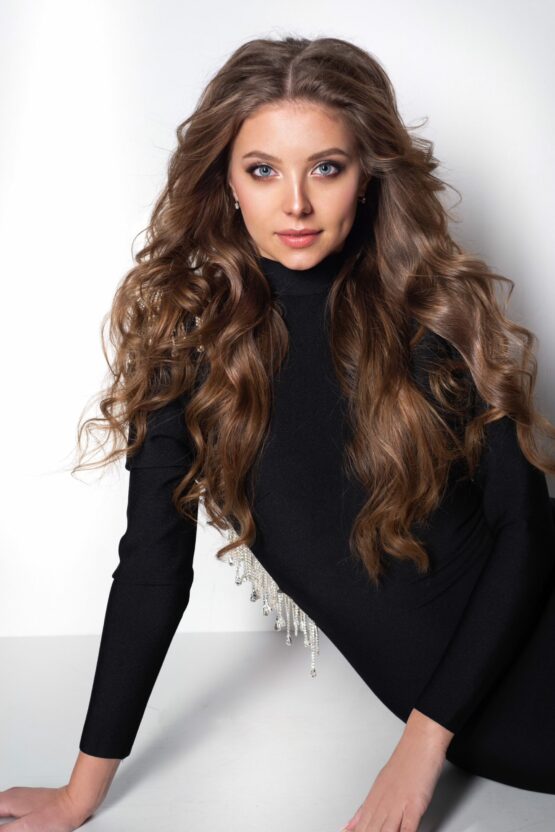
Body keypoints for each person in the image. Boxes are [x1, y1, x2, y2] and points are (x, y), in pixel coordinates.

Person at [2, 34, 555, 832]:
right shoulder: (185, 343)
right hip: (512, 717)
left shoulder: (433, 307)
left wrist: (417, 748)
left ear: (367, 177)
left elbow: (525, 530)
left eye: (325, 168)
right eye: (262, 170)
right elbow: (151, 571)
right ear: (225, 181)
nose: (295, 204)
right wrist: (77, 794)